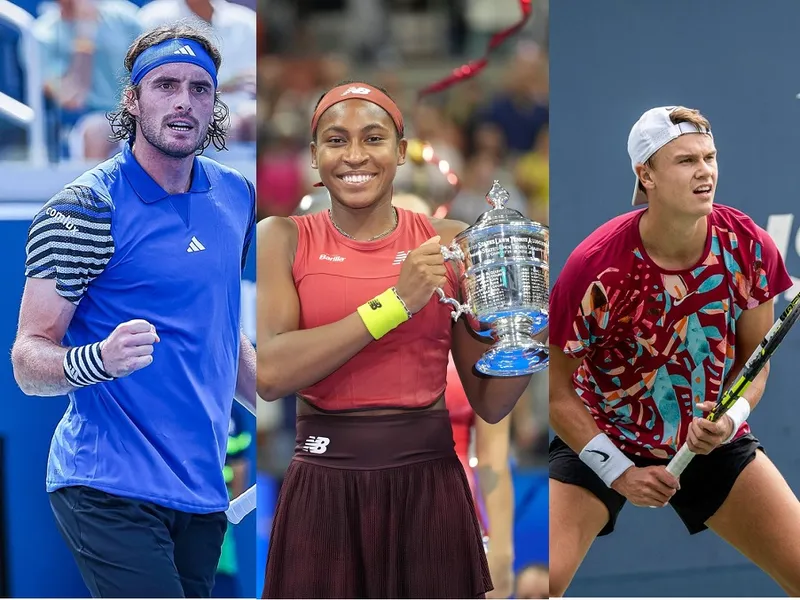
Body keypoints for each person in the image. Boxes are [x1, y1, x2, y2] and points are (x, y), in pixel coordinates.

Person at [257, 80, 535, 598]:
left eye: (374, 138)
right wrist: (396, 303)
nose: (354, 155)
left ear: (401, 152)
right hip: (323, 486)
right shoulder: (283, 237)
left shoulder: (450, 240)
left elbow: (492, 404)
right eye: (336, 140)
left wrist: (521, 332)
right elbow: (271, 374)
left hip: (429, 490)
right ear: (314, 156)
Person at [11, 24, 256, 598]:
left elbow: (221, 338)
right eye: (166, 85)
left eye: (200, 89)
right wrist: (97, 359)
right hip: (105, 484)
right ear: (132, 99)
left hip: (201, 488)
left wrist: (291, 410)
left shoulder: (235, 196)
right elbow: (28, 358)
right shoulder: (83, 208)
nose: (183, 102)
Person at [548, 105, 800, 597]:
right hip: (603, 435)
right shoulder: (593, 268)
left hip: (710, 439)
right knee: (543, 580)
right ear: (647, 175)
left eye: (710, 157)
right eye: (686, 161)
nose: (705, 171)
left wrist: (728, 419)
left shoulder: (749, 245)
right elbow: (558, 396)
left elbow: (756, 363)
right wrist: (619, 473)